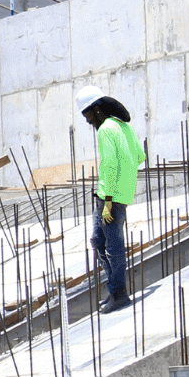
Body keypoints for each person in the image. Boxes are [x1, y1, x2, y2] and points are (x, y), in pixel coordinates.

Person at [78, 85, 145, 313]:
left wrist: (108, 200)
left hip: (109, 198)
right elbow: (139, 156)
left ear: (96, 110)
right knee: (99, 241)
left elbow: (109, 165)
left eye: (87, 114)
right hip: (118, 194)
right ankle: (114, 287)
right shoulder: (124, 127)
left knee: (113, 246)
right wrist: (124, 186)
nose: (87, 120)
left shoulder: (106, 129)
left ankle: (118, 293)